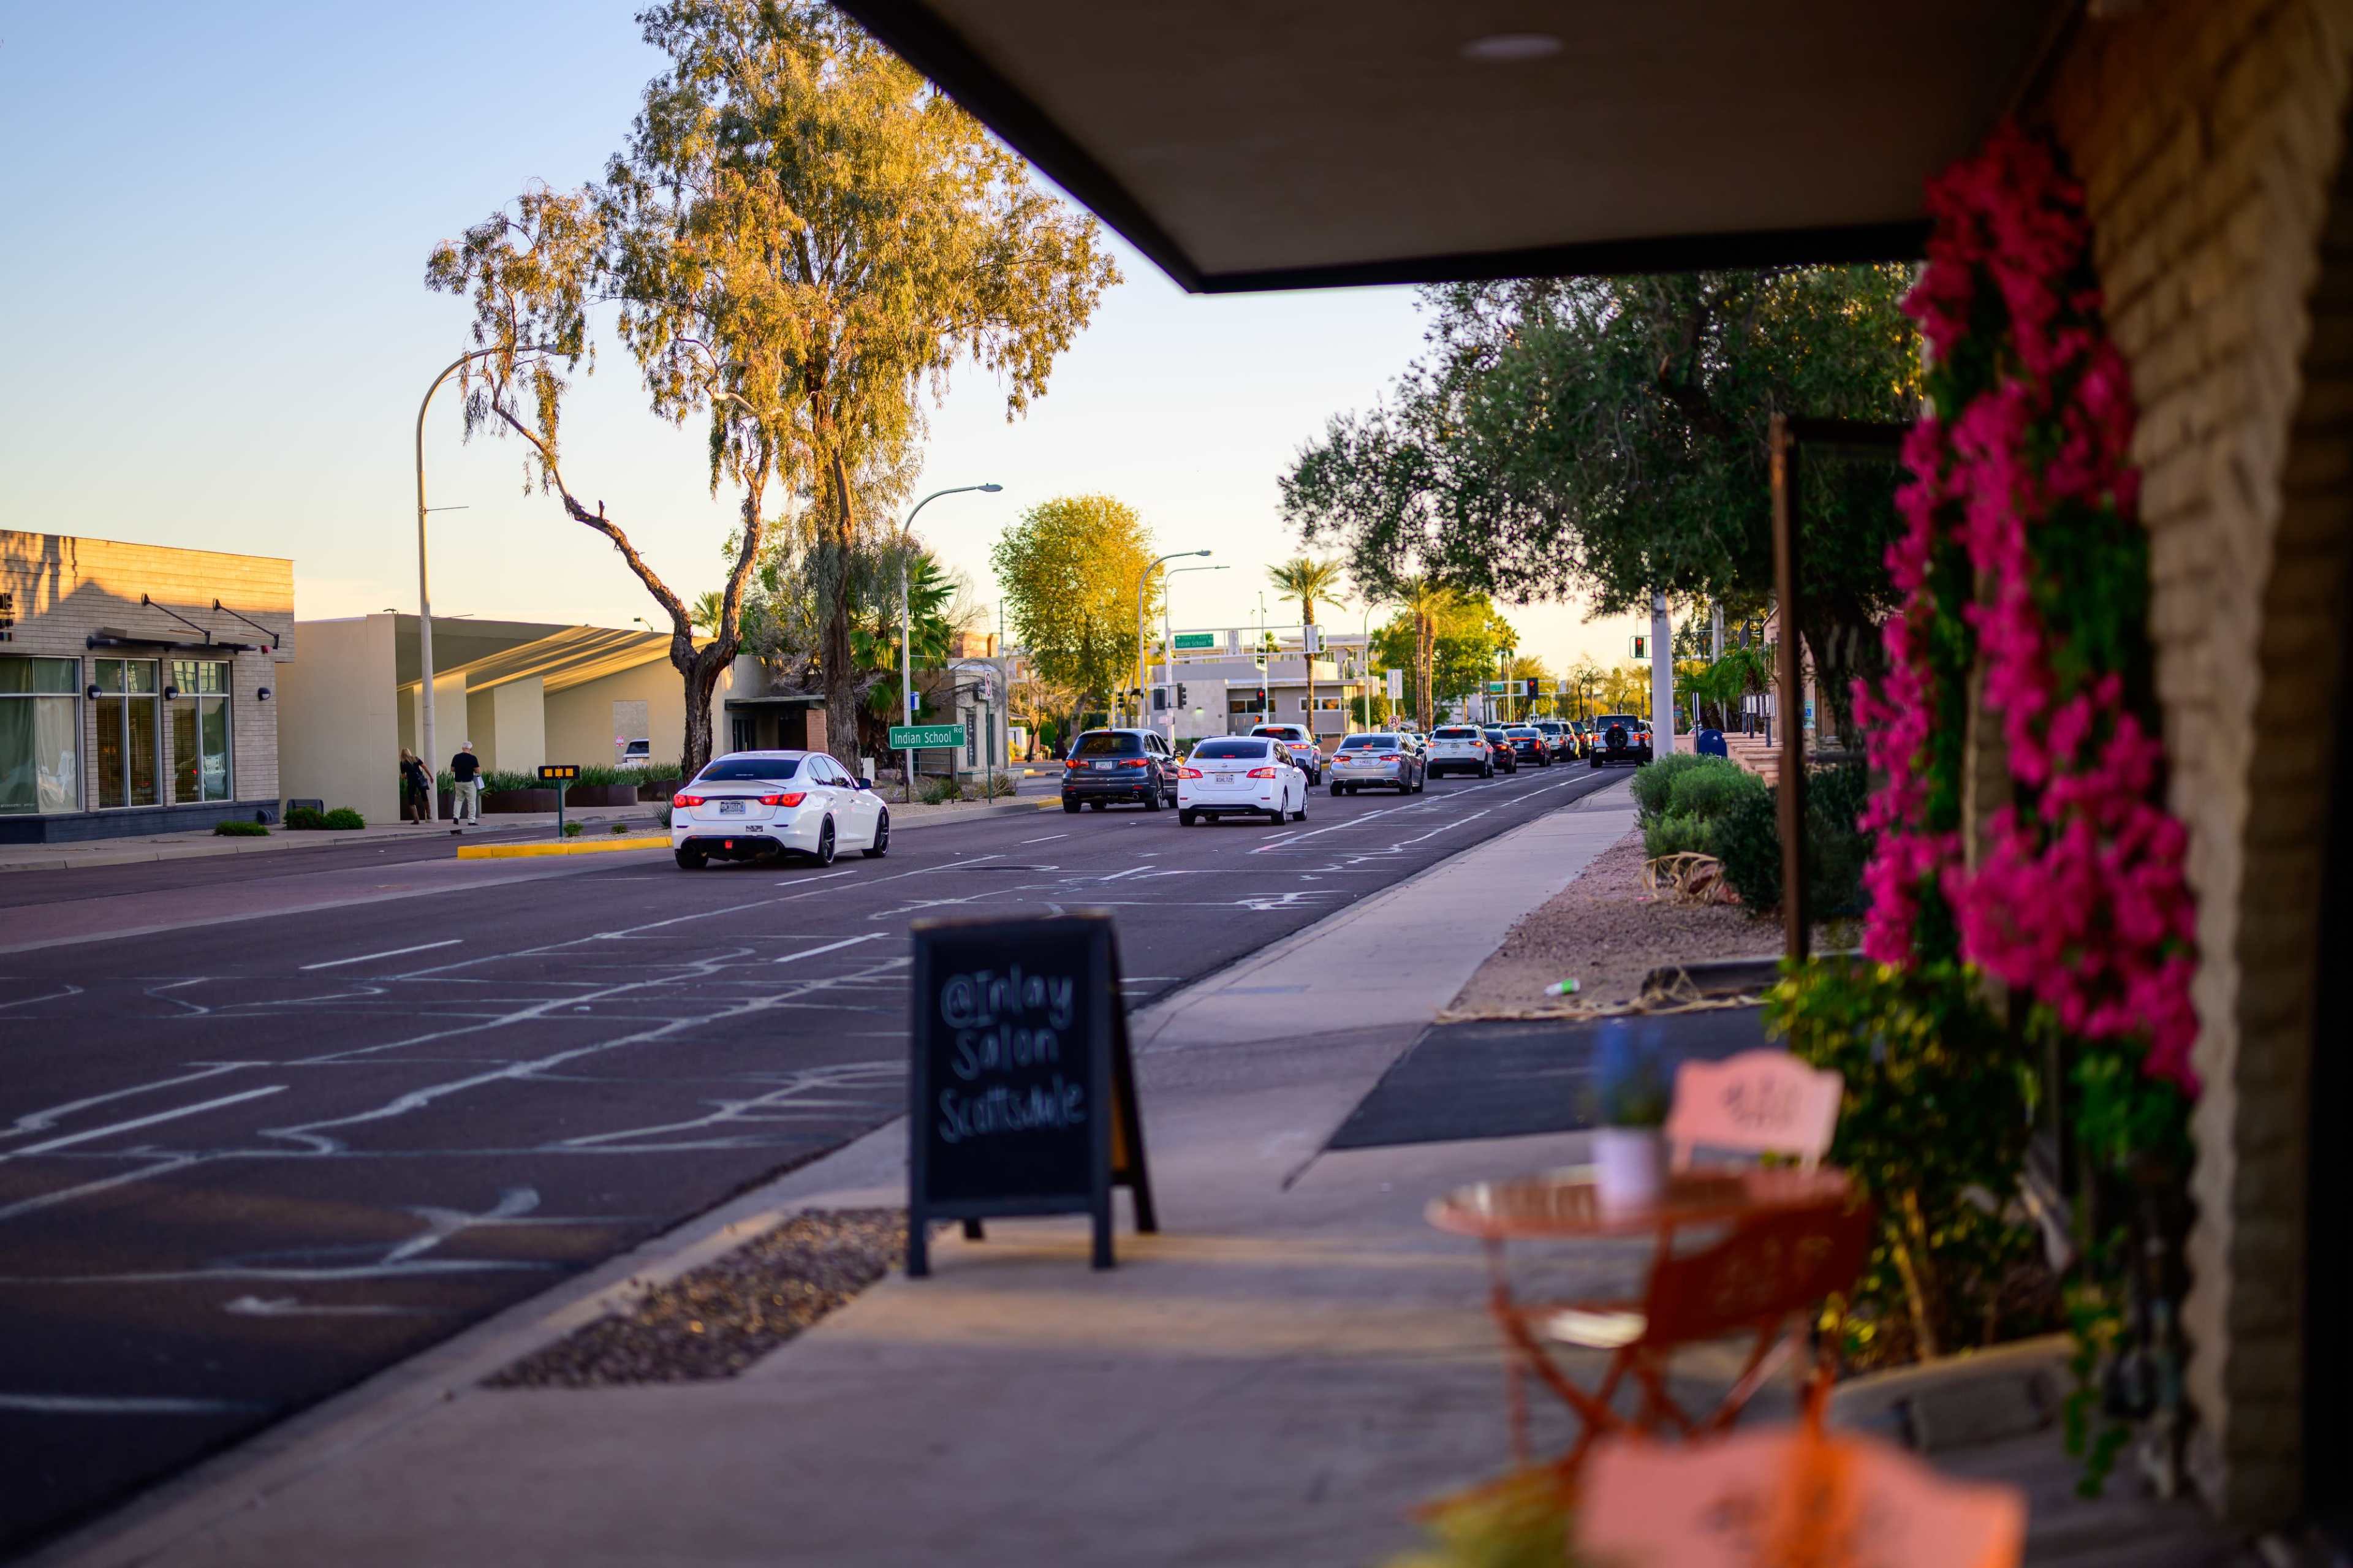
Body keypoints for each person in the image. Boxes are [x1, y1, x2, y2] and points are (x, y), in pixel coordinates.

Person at [449, 741, 482, 825]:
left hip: (458, 782)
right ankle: (471, 820)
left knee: (458, 800)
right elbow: (478, 771)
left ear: (462, 748)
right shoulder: (473, 758)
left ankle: (456, 817)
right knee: (471, 802)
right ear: (470, 749)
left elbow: (452, 769)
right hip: (469, 783)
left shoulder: (456, 757)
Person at [398, 748, 433, 825]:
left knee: (411, 799)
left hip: (411, 782)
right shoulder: (415, 758)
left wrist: (407, 777)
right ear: (409, 752)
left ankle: (416, 819)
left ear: (402, 754)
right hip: (420, 780)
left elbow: (403, 776)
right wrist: (431, 776)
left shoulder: (403, 763)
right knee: (424, 796)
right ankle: (429, 814)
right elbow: (424, 767)